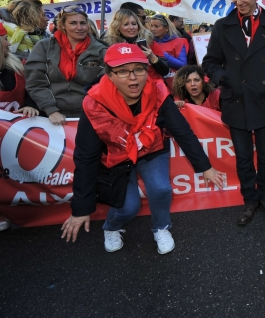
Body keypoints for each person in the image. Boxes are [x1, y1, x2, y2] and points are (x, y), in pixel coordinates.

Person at [61, 43, 224, 253]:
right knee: (129, 207)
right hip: (117, 156)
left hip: (152, 149)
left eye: (139, 69)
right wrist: (81, 208)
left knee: (161, 189)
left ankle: (161, 227)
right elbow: (85, 156)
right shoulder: (94, 104)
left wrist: (205, 167)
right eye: (123, 71)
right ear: (109, 74)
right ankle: (111, 226)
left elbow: (182, 131)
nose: (133, 77)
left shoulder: (158, 92)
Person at [202, 0, 265, 225]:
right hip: (236, 99)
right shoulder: (222, 26)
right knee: (243, 157)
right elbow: (209, 63)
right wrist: (225, 79)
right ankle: (249, 200)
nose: (239, 1)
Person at [0, 21, 39, 232]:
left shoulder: (18, 67)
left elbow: (32, 93)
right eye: (4, 39)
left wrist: (30, 106)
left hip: (15, 138)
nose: (8, 43)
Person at [25, 5, 107, 124]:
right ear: (62, 25)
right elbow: (35, 82)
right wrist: (51, 110)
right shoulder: (44, 47)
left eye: (83, 23)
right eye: (73, 23)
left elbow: (106, 84)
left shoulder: (101, 50)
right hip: (50, 116)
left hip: (92, 115)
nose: (79, 28)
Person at [104, 9, 170, 80]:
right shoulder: (110, 45)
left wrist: (152, 57)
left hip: (152, 85)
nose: (131, 27)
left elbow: (165, 71)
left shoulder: (149, 41)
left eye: (134, 24)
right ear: (117, 27)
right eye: (126, 24)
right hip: (124, 86)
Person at [149, 14, 188, 88]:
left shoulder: (178, 42)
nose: (152, 29)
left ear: (166, 28)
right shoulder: (150, 43)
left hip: (173, 84)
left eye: (156, 26)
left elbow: (183, 66)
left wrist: (163, 55)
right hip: (154, 84)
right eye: (151, 26)